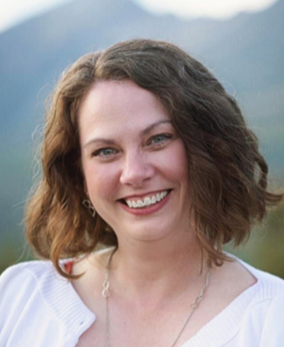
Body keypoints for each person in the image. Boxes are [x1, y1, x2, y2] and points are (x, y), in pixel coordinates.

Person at [0, 39, 283, 347]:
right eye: (106, 151)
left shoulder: (272, 319)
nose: (134, 173)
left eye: (158, 139)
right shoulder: (18, 300)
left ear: (208, 148)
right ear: (78, 172)